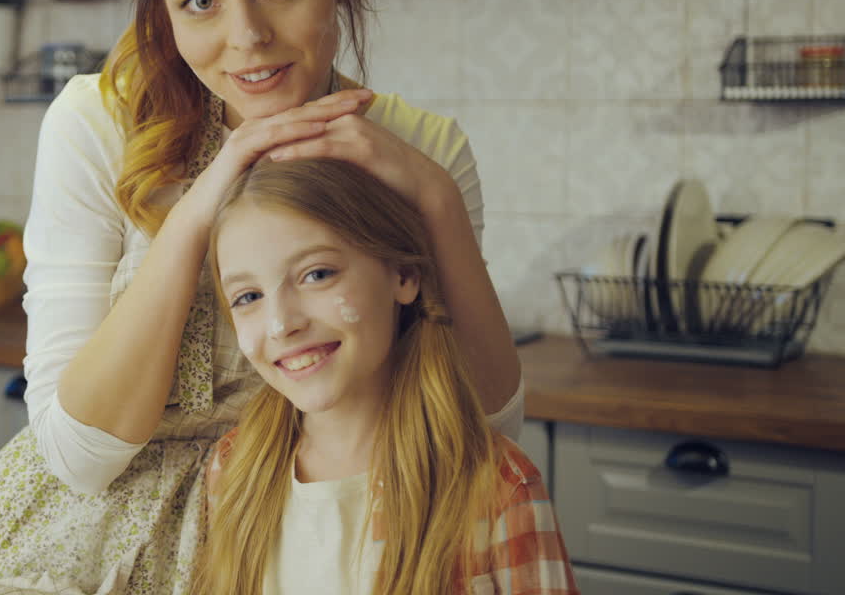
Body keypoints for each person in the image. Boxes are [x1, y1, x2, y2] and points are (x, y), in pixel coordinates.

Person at [0, 0, 524, 592]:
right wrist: (208, 197)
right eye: (199, 2)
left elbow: (490, 424)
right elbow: (79, 458)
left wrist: (434, 197)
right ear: (163, 8)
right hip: (78, 552)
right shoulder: (94, 126)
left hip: (303, 530)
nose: (247, 37)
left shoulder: (418, 148)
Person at [198, 158, 576, 595]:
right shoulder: (234, 466)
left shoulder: (498, 488)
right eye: (248, 296)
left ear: (403, 275)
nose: (281, 325)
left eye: (317, 274)